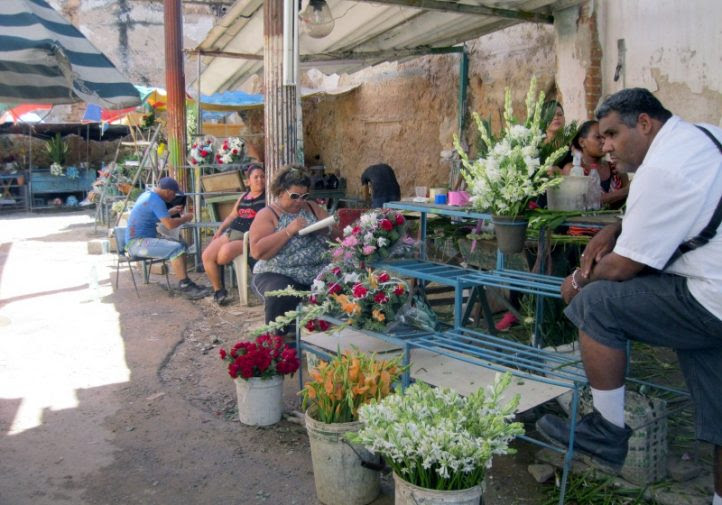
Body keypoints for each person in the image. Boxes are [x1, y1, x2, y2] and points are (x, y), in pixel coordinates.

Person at [535, 89, 722, 504]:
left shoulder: (663, 169)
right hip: (715, 289)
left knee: (597, 304)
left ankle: (607, 429)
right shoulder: (704, 136)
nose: (606, 147)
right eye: (601, 138)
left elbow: (621, 268)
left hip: (710, 298)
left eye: (613, 134)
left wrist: (577, 282)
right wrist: (614, 227)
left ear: (644, 123)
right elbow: (669, 211)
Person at [249, 165, 339, 333]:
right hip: (278, 271)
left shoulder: (312, 207)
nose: (300, 201)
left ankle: (330, 338)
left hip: (316, 270)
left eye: (304, 196)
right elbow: (257, 251)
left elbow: (337, 233)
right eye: (295, 196)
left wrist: (324, 229)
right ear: (281, 191)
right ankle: (280, 344)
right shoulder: (268, 214)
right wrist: (288, 231)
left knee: (346, 285)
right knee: (281, 294)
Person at [125, 177, 211, 300]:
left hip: (137, 242)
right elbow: (169, 225)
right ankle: (185, 285)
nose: (173, 198)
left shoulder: (148, 195)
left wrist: (170, 211)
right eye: (174, 195)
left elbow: (154, 216)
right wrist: (186, 218)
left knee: (180, 245)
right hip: (138, 244)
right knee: (177, 248)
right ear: (168, 192)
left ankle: (185, 282)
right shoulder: (156, 200)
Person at [202, 163, 265, 305]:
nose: (259, 180)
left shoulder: (267, 198)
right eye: (256, 177)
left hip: (248, 237)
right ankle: (219, 291)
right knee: (207, 255)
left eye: (262, 176)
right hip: (233, 231)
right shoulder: (244, 196)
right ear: (248, 181)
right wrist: (220, 230)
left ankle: (221, 278)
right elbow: (231, 216)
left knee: (223, 256)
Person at [562, 120, 629, 208]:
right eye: (598, 137)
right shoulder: (572, 169)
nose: (603, 141)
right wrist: (623, 192)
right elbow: (581, 202)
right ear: (582, 142)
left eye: (604, 137)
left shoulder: (617, 168)